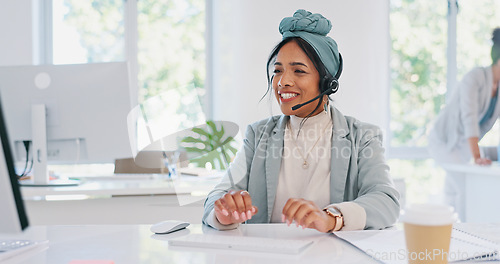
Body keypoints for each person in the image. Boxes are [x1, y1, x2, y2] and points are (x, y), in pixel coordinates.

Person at [202, 9, 400, 232]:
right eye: (278, 71)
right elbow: (217, 196)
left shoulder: (362, 136)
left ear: (327, 83)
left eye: (299, 71)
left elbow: (387, 201)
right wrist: (222, 213)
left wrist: (332, 218)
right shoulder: (258, 135)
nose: (283, 81)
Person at [428, 28, 500, 220]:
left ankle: (448, 232)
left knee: (453, 189)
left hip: (463, 146)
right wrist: (477, 156)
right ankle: (463, 231)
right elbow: (470, 117)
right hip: (444, 140)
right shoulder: (475, 77)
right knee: (465, 188)